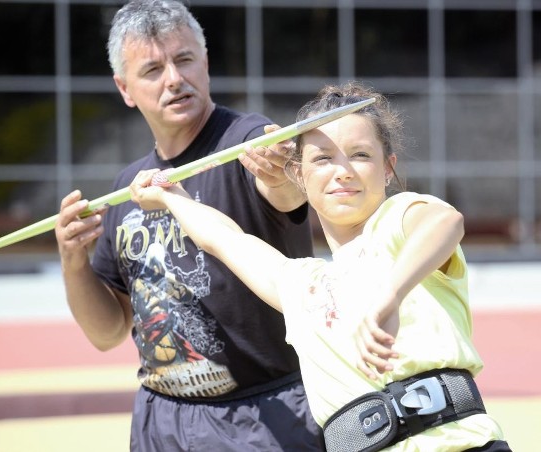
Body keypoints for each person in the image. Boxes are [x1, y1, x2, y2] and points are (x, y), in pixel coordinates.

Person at [129, 81, 512, 452]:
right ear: (299, 175)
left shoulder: (397, 221)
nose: (342, 171)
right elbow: (226, 239)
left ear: (388, 168)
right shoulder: (301, 285)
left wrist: (390, 295)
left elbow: (445, 222)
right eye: (323, 159)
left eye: (360, 155)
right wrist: (170, 196)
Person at [55, 1, 323, 450]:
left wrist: (281, 173)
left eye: (184, 60)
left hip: (265, 418)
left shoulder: (247, 143)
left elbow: (286, 193)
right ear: (125, 88)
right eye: (153, 70)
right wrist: (73, 261)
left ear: (206, 63)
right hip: (161, 420)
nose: (174, 79)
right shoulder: (128, 189)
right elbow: (107, 333)